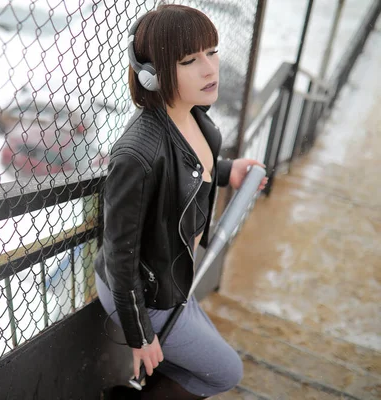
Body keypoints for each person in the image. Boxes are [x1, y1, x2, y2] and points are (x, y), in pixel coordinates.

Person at [94, 4, 268, 400]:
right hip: (144, 292)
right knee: (226, 372)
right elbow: (121, 259)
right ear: (152, 76)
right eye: (190, 60)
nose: (210, 68)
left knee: (197, 362)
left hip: (171, 278)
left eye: (212, 51)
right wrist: (141, 336)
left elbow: (189, 166)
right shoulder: (135, 156)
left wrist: (227, 171)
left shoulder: (194, 116)